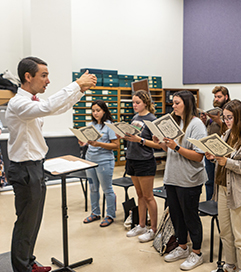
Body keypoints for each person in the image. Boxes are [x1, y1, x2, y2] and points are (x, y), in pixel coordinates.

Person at [6, 56, 96, 272]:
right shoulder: (18, 103)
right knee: (26, 221)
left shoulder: (33, 102)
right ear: (28, 77)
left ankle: (28, 260)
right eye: (43, 76)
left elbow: (56, 108)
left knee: (34, 220)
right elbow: (48, 107)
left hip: (35, 167)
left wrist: (79, 92)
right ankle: (22, 267)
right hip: (24, 169)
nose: (48, 81)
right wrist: (75, 84)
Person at [153, 90, 207, 271]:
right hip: (173, 178)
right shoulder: (178, 123)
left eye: (177, 103)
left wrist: (176, 146)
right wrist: (161, 142)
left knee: (190, 217)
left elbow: (199, 156)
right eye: (173, 103)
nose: (173, 106)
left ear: (187, 104)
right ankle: (182, 246)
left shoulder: (196, 124)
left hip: (189, 180)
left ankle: (197, 252)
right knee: (177, 216)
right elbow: (170, 149)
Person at [206, 99, 241, 272]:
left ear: (239, 117)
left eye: (230, 118)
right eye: (224, 117)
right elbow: (222, 160)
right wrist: (213, 157)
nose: (227, 121)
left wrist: (226, 162)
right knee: (225, 232)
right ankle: (230, 265)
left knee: (239, 236)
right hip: (223, 188)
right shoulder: (226, 134)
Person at [123, 90, 162, 243]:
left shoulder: (152, 120)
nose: (134, 105)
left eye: (137, 102)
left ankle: (153, 228)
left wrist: (140, 140)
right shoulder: (135, 118)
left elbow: (158, 145)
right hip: (132, 159)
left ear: (145, 103)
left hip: (145, 160)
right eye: (133, 102)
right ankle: (141, 224)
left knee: (148, 196)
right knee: (139, 195)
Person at [81, 100, 120, 227]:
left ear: (104, 111)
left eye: (98, 110)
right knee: (93, 188)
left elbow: (116, 145)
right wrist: (83, 143)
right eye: (93, 111)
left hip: (104, 161)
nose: (95, 113)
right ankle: (95, 213)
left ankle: (110, 215)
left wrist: (99, 144)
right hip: (90, 160)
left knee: (107, 189)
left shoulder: (109, 126)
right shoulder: (91, 125)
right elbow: (88, 142)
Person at [204, 86, 231, 201]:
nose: (216, 99)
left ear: (226, 97)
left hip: (222, 151)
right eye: (215, 97)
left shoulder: (230, 112)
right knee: (210, 180)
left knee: (220, 181)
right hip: (209, 150)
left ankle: (218, 204)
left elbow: (230, 130)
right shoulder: (214, 111)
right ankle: (209, 202)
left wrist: (219, 121)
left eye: (219, 97)